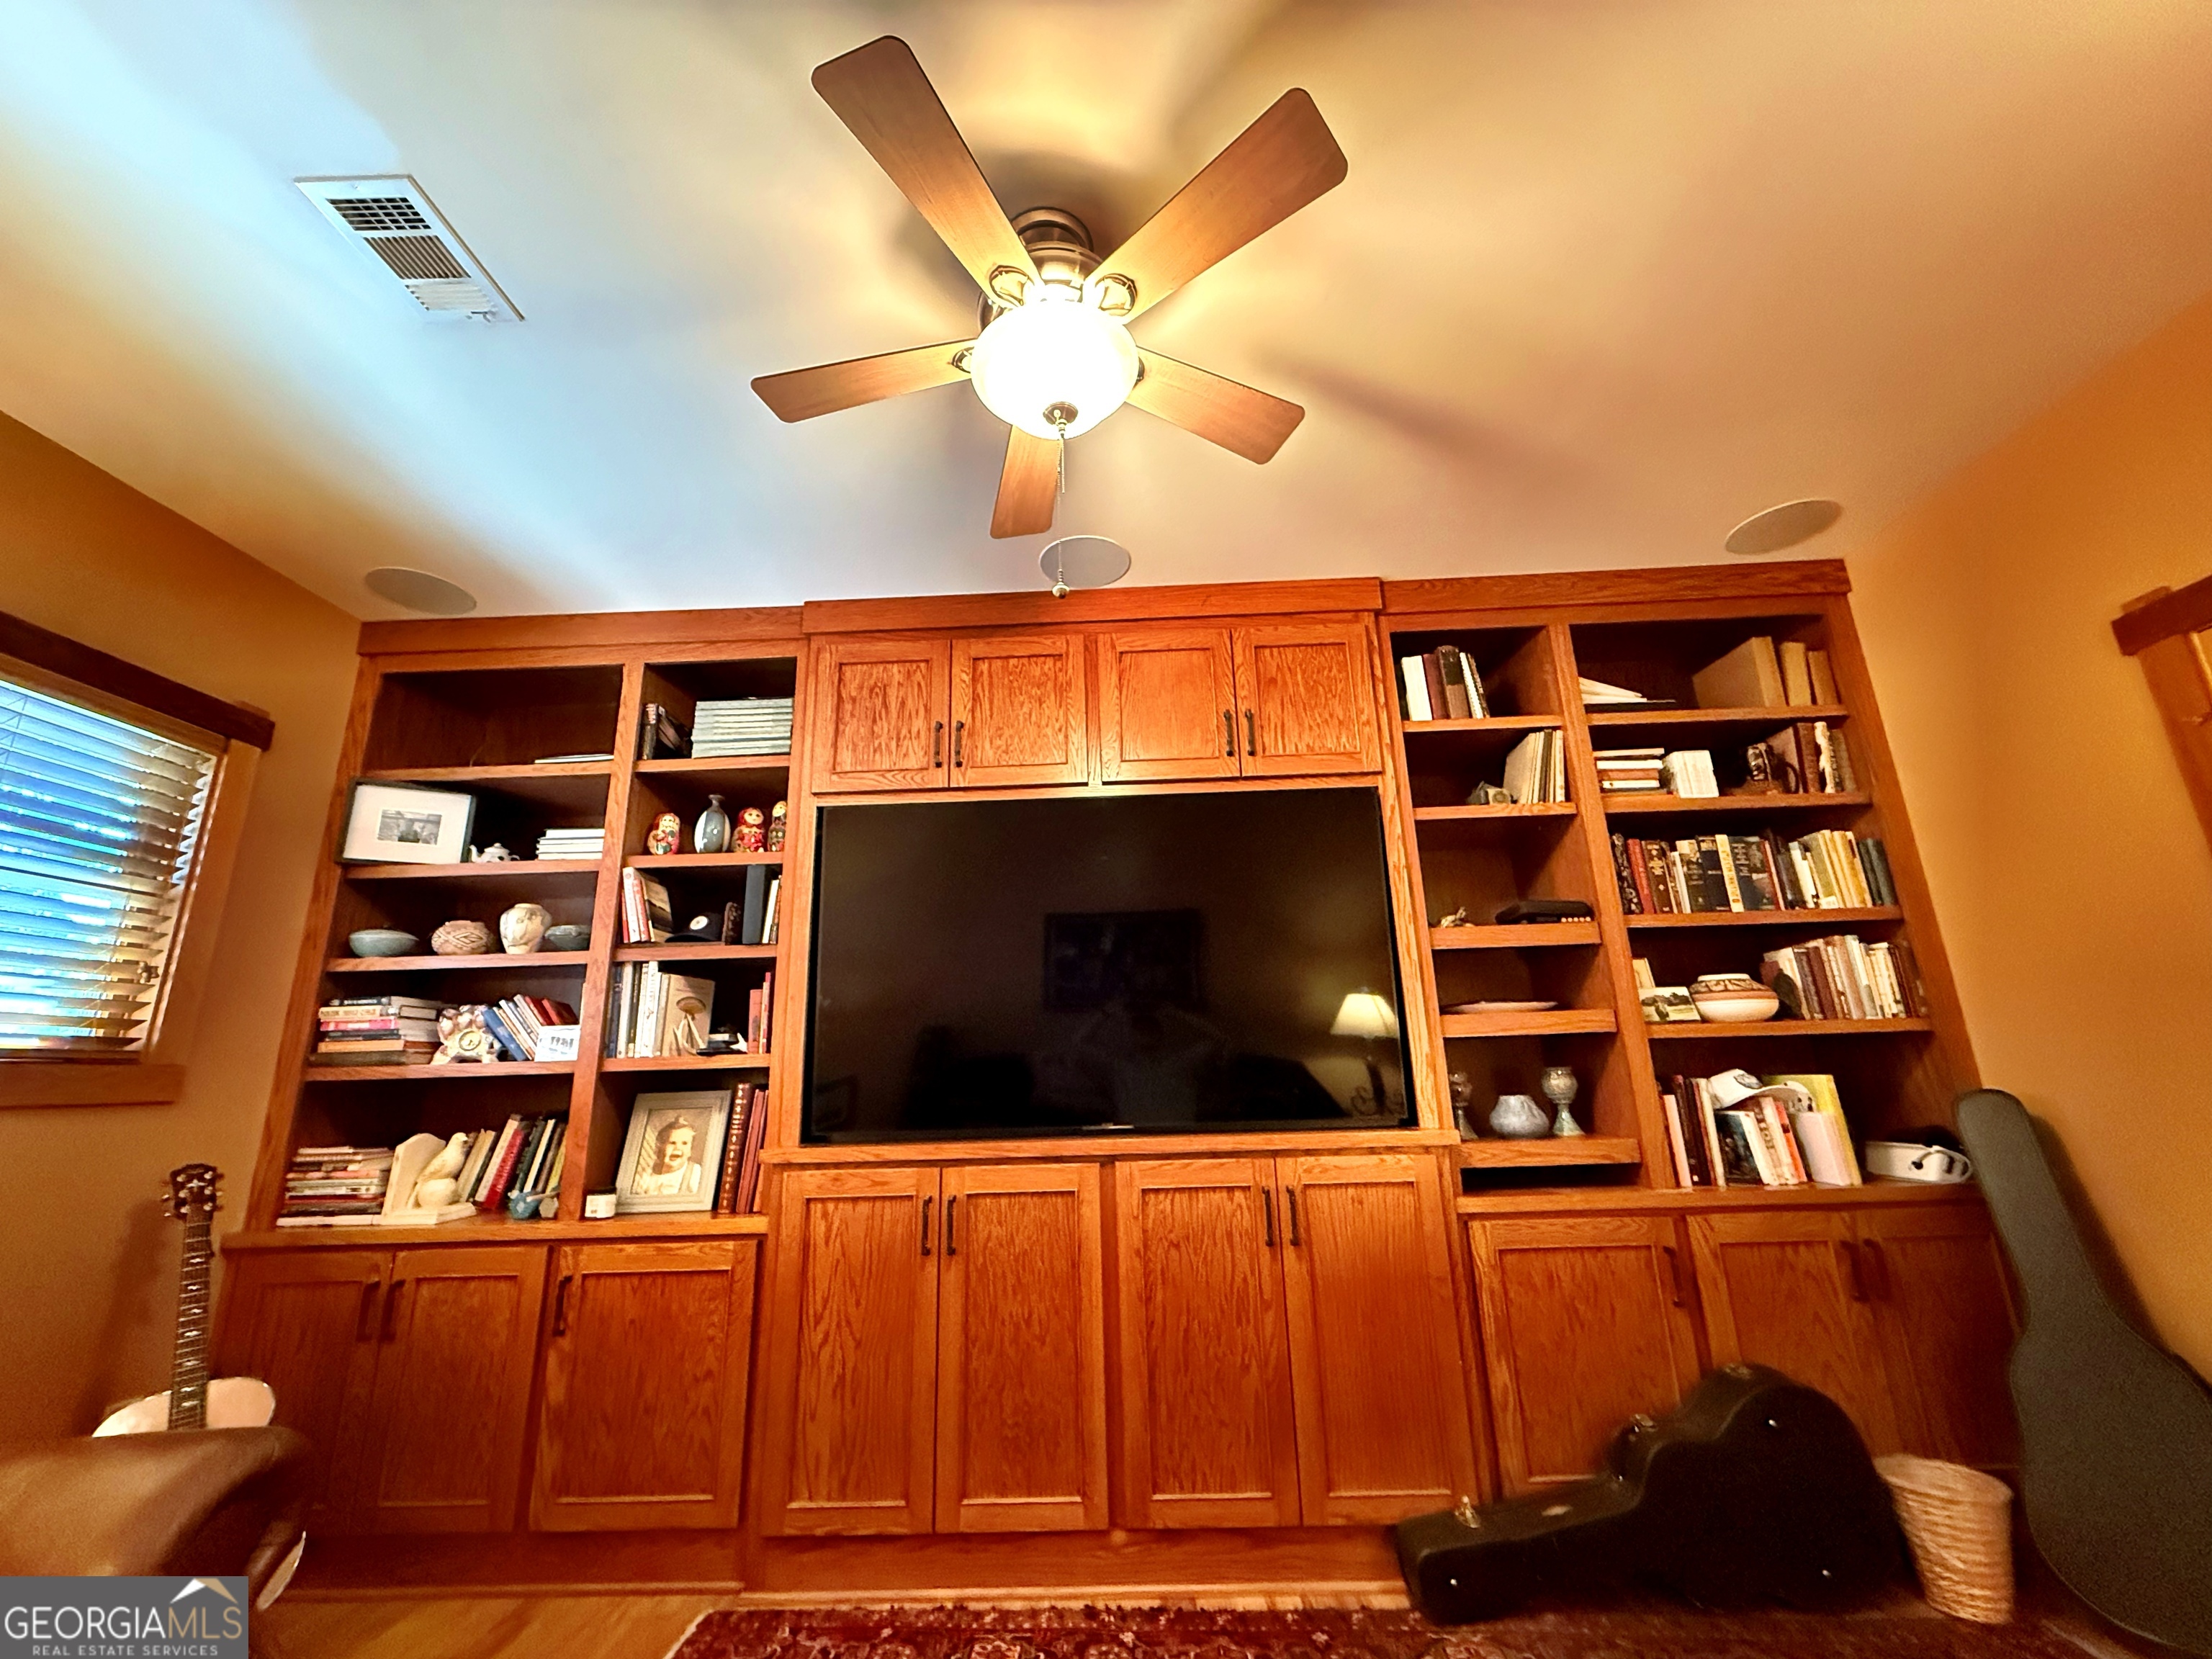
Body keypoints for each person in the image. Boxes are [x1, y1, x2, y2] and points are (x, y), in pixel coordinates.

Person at [634, 1118, 702, 1195]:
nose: (678, 1147)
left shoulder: (694, 1173)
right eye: (672, 1143)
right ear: (661, 1147)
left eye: (684, 1143)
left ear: (690, 1151)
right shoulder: (648, 1174)